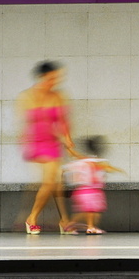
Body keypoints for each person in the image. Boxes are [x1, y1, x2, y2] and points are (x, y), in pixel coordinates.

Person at [17, 60, 75, 235]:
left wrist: (68, 139)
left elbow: (64, 121)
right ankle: (31, 218)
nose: (54, 81)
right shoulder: (28, 96)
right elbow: (27, 122)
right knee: (50, 180)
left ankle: (64, 220)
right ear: (42, 77)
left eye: (56, 78)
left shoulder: (58, 96)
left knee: (56, 182)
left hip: (53, 144)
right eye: (51, 78)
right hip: (37, 143)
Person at [65, 136, 124, 234]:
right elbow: (106, 167)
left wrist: (68, 148)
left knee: (91, 212)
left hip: (85, 190)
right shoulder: (97, 161)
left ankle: (72, 225)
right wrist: (118, 170)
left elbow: (75, 155)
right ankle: (90, 227)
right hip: (90, 190)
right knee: (91, 210)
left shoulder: (85, 159)